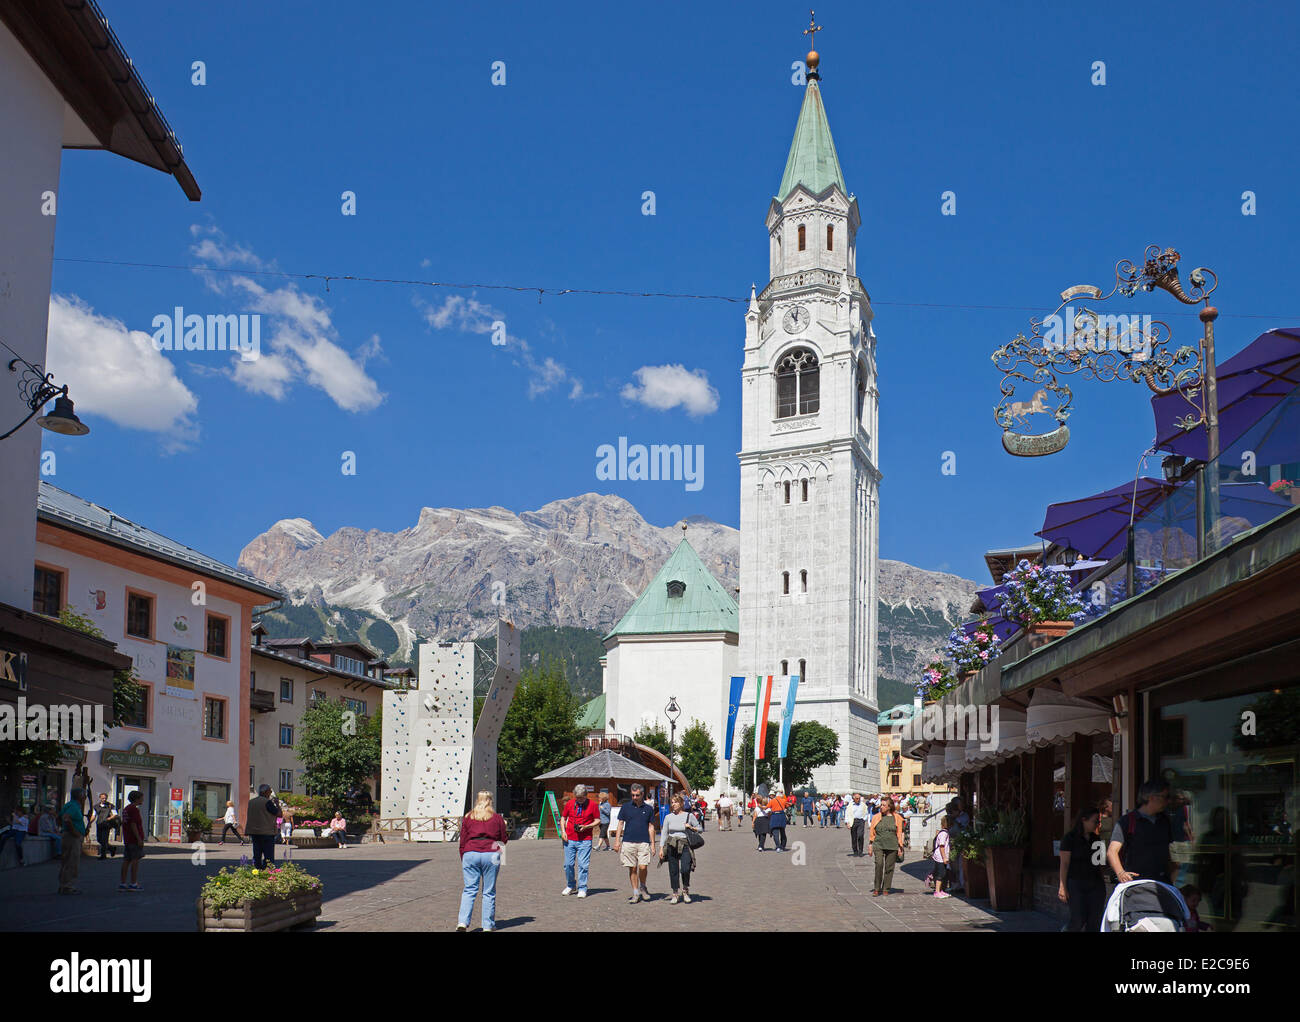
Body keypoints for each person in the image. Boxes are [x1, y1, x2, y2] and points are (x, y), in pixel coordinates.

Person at [1107, 779, 1175, 886]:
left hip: (1162, 883)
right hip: (1137, 884)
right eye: (1165, 797)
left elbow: (1169, 853)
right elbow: (1112, 851)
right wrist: (1121, 873)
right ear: (1151, 797)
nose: (1168, 801)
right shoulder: (1127, 821)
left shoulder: (1164, 821)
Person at [457, 790, 508, 931]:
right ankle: (487, 925)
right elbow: (503, 839)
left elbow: (463, 839)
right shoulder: (497, 818)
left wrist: (464, 855)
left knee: (469, 889)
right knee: (488, 891)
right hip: (490, 852)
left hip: (470, 851)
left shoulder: (468, 817)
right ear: (490, 801)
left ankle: (462, 922)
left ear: (477, 800)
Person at [1058, 807, 1106, 931]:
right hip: (1076, 883)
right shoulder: (1070, 838)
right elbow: (1064, 864)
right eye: (1095, 821)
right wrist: (1062, 887)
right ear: (1084, 820)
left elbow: (1100, 863)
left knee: (1095, 920)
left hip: (1095, 884)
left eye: (1099, 822)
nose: (1097, 824)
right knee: (1078, 919)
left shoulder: (1096, 839)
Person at [614, 784, 657, 903]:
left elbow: (651, 827)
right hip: (628, 842)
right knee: (632, 868)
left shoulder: (648, 809)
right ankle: (635, 892)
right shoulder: (626, 807)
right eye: (632, 795)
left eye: (637, 795)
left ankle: (643, 886)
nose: (634, 797)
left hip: (643, 842)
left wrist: (653, 844)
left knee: (643, 867)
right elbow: (620, 824)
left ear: (642, 794)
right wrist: (617, 841)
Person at [559, 783, 599, 897]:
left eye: (581, 797)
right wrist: (563, 831)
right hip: (569, 838)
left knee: (583, 865)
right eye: (577, 798)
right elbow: (563, 818)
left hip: (585, 839)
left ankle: (582, 887)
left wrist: (586, 826)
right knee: (568, 864)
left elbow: (597, 820)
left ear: (586, 795)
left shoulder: (593, 805)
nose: (579, 800)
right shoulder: (570, 803)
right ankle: (571, 885)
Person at [659, 793, 700, 904]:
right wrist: (661, 848)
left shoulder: (688, 816)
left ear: (681, 803)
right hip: (672, 844)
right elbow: (664, 833)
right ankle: (675, 893)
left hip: (685, 844)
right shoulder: (668, 817)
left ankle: (685, 890)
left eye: (676, 802)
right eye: (672, 803)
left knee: (685, 869)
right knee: (673, 870)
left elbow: (699, 828)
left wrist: (690, 827)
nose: (673, 804)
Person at [870, 796, 905, 895]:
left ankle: (886, 888)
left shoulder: (897, 817)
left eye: (883, 805)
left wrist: (900, 846)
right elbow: (872, 832)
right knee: (879, 864)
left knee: (889, 867)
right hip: (878, 844)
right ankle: (877, 888)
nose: (881, 807)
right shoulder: (876, 817)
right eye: (881, 805)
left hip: (892, 844)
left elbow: (900, 832)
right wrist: (870, 844)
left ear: (889, 807)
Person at [58, 788, 87, 894]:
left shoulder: (69, 804)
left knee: (66, 861)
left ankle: (63, 884)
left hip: (68, 835)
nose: (85, 797)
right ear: (80, 796)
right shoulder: (74, 806)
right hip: (72, 837)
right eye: (84, 795)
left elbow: (59, 817)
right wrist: (74, 831)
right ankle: (67, 886)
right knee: (72, 861)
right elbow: (66, 818)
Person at [245, 784, 280, 869]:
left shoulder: (251, 802)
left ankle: (257, 870)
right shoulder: (267, 802)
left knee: (257, 853)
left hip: (254, 831)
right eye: (270, 791)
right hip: (266, 832)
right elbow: (279, 814)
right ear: (265, 792)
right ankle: (267, 872)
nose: (270, 793)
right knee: (268, 856)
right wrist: (277, 804)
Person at [118, 790, 146, 892]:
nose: (143, 799)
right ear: (137, 798)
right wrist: (139, 838)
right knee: (135, 860)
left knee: (127, 860)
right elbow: (133, 824)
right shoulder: (134, 810)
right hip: (134, 839)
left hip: (128, 838)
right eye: (141, 798)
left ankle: (123, 883)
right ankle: (133, 883)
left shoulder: (126, 809)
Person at [931, 815, 953, 899]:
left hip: (940, 856)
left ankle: (941, 890)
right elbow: (942, 846)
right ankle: (937, 891)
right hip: (940, 857)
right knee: (940, 874)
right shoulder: (944, 834)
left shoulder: (944, 832)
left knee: (943, 874)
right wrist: (944, 857)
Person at [92, 793, 118, 859]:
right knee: (99, 839)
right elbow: (93, 815)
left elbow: (115, 814)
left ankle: (103, 855)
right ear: (100, 798)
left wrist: (109, 818)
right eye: (103, 798)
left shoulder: (110, 806)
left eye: (105, 798)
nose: (104, 799)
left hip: (107, 824)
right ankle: (111, 848)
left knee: (104, 840)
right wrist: (90, 823)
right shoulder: (96, 806)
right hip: (99, 823)